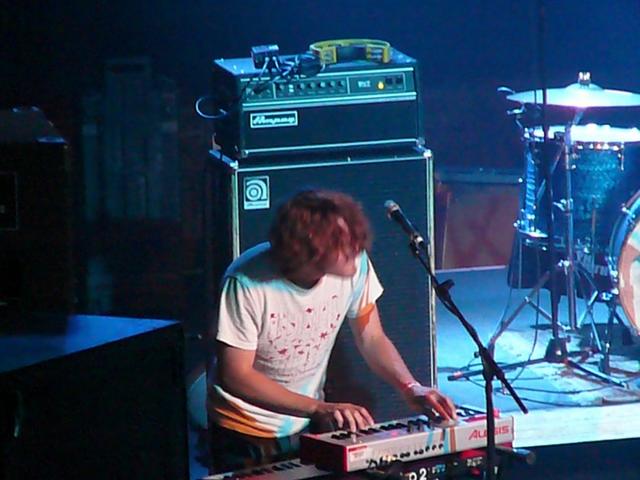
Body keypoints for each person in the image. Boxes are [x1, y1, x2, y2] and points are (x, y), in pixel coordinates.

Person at [207, 189, 456, 473]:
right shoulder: (245, 283)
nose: (356, 247)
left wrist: (410, 387)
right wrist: (318, 408)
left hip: (305, 420)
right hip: (244, 430)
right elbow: (236, 375)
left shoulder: (358, 265)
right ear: (309, 247)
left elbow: (372, 337)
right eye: (342, 241)